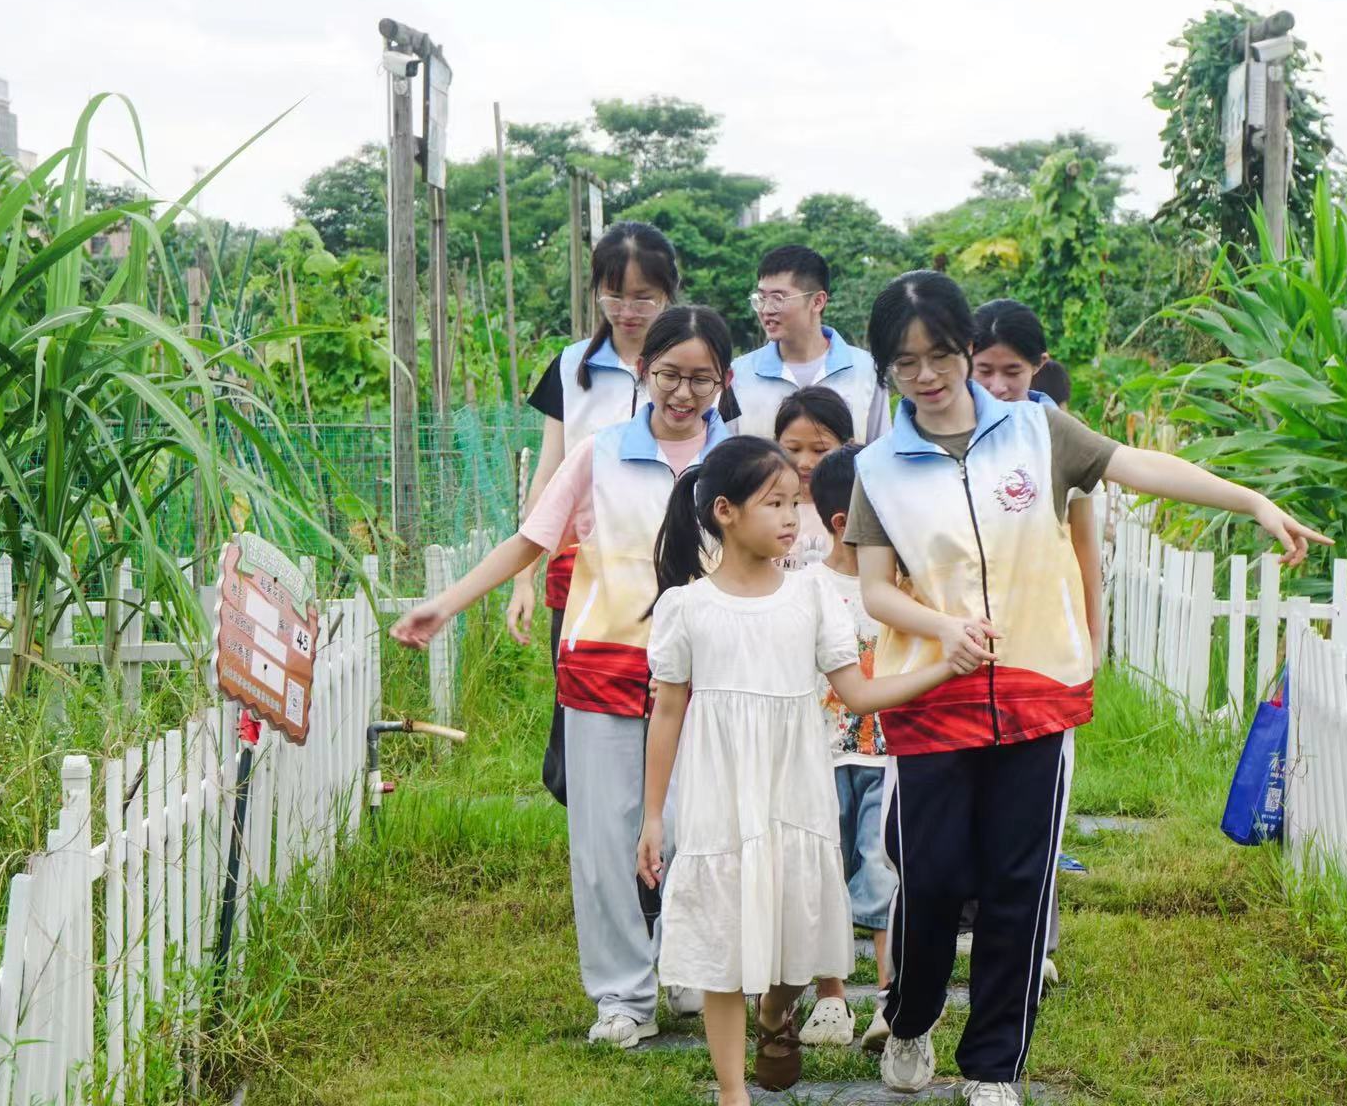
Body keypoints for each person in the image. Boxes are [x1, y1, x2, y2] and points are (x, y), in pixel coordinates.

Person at [849, 271, 1330, 1104]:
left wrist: (1252, 502)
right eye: (903, 364)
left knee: (1016, 880)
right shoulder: (880, 465)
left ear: (967, 348)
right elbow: (875, 588)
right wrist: (941, 631)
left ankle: (993, 1065)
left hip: (1037, 687)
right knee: (930, 877)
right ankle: (913, 1011)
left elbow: (1139, 466)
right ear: (886, 369)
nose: (925, 378)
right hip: (932, 693)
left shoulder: (1038, 432)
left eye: (937, 356)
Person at [392, 304, 736, 1050]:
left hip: (711, 674)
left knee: (694, 826)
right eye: (669, 374)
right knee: (607, 836)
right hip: (606, 665)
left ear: (725, 381)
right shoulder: (598, 453)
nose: (682, 393)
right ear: (642, 372)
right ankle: (621, 994)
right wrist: (445, 607)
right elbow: (529, 541)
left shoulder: (742, 458)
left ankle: (683, 967)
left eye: (700, 379)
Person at [635, 436, 958, 1105]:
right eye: (773, 503)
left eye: (794, 503)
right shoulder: (686, 607)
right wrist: (652, 816)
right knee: (724, 941)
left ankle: (776, 1011)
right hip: (719, 790)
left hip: (794, 785)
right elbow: (667, 713)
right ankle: (732, 1093)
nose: (791, 519)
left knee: (798, 929)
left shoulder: (811, 597)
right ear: (723, 511)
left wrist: (942, 669)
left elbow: (860, 693)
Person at [511, 222, 680, 805]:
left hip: (673, 571)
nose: (628, 311)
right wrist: (522, 578)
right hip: (584, 575)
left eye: (644, 298)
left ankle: (657, 842)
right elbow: (549, 477)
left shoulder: (692, 368)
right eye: (615, 295)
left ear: (669, 295)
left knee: (669, 702)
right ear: (595, 293)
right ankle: (600, 834)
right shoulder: (569, 367)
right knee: (580, 718)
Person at [972, 300, 1098, 892]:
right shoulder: (944, 431)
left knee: (1034, 812)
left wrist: (1094, 643)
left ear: (1038, 367)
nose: (998, 386)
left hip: (1043, 651)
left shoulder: (1057, 438)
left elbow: (1085, 552)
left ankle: (1034, 936)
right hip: (965, 649)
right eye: (985, 370)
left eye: (1013, 373)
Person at [793, 442, 899, 1054]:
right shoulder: (806, 587)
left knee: (883, 870)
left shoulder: (904, 585)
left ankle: (890, 996)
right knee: (822, 876)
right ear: (846, 523)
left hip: (886, 756)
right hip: (818, 758)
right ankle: (830, 998)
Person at [730, 244, 890, 441]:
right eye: (761, 298)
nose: (766, 310)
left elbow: (879, 452)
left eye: (778, 298)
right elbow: (725, 456)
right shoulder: (738, 375)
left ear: (817, 301)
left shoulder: (866, 371)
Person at [772, 387, 854, 571]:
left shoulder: (856, 509)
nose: (804, 463)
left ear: (848, 447)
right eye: (793, 449)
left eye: (819, 450)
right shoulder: (758, 507)